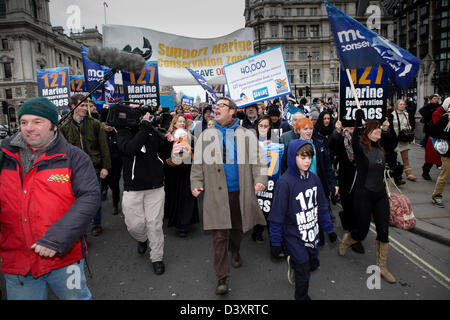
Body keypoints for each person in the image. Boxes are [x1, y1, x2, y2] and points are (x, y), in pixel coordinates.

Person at [0, 97, 99, 299]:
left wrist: (56, 238)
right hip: (18, 262)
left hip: (64, 259)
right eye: (24, 122)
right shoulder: (4, 156)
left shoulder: (74, 157)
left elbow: (89, 198)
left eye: (37, 122)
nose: (29, 128)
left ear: (54, 126)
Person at [190, 97, 267, 295]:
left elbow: (258, 160)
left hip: (240, 192)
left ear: (232, 111)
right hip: (216, 194)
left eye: (221, 106)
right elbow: (197, 164)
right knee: (219, 236)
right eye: (215, 106)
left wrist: (260, 179)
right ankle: (222, 277)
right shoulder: (206, 136)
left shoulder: (247, 134)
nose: (216, 108)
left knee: (238, 229)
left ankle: (236, 249)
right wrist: (197, 183)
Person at [268, 140, 337, 300]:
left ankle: (294, 263)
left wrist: (330, 229)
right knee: (304, 269)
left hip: (311, 233)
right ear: (293, 157)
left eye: (309, 157)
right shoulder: (285, 183)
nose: (307, 161)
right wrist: (276, 243)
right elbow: (276, 216)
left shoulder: (314, 179)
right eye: (302, 157)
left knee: (311, 263)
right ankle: (302, 296)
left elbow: (322, 207)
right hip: (293, 234)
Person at [338, 110, 396, 284]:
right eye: (376, 129)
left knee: (384, 230)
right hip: (363, 195)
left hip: (380, 195)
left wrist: (389, 125)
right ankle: (348, 240)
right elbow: (355, 141)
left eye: (379, 129)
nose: (379, 131)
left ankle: (382, 267)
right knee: (361, 231)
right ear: (368, 132)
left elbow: (392, 141)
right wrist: (357, 122)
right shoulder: (361, 149)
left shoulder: (381, 146)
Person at [116, 110, 172, 275]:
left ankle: (157, 258)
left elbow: (165, 154)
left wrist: (169, 142)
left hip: (155, 186)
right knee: (135, 225)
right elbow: (130, 149)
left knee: (154, 224)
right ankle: (142, 239)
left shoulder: (153, 131)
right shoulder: (123, 133)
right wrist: (144, 129)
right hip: (133, 188)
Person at [60, 94, 111, 236]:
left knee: (94, 198)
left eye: (86, 105)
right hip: (75, 171)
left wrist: (105, 167)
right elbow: (63, 151)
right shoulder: (65, 127)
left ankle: (96, 224)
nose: (84, 108)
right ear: (73, 107)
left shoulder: (95, 124)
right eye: (81, 105)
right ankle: (80, 228)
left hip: (94, 168)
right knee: (77, 201)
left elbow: (103, 147)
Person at [328, 121, 364, 254]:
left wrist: (385, 129)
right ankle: (348, 224)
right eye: (349, 124)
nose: (351, 126)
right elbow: (331, 146)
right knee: (347, 202)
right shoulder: (341, 136)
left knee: (358, 206)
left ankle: (354, 235)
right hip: (345, 175)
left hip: (360, 175)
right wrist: (337, 131)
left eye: (353, 124)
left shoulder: (363, 135)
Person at [164, 114, 199, 237]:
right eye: (180, 121)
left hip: (187, 172)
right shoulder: (168, 138)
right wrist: (170, 162)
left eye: (184, 122)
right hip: (173, 174)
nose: (182, 124)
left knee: (186, 197)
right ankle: (176, 219)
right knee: (175, 198)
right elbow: (164, 155)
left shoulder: (191, 137)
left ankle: (183, 224)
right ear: (174, 124)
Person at [430, 97, 450, 208]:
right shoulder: (445, 118)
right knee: (445, 174)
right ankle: (437, 195)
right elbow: (434, 132)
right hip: (448, 152)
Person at [390, 99, 416, 181]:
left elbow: (409, 125)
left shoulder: (406, 114)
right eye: (400, 104)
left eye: (403, 104)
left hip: (404, 138)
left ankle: (409, 173)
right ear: (396, 105)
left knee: (405, 157)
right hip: (395, 139)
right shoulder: (392, 114)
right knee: (392, 158)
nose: (402, 106)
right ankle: (393, 173)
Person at [102, 124, 123, 215]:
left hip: (116, 164)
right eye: (106, 125)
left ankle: (115, 204)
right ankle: (104, 189)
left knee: (115, 185)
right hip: (104, 165)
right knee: (105, 182)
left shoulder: (117, 135)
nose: (108, 127)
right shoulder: (101, 136)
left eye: (110, 125)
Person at [420, 94, 442, 179]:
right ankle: (426, 170)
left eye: (437, 98)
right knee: (431, 154)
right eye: (434, 98)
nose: (436, 100)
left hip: (440, 133)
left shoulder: (440, 107)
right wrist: (428, 118)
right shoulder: (428, 107)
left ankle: (439, 165)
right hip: (430, 132)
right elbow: (422, 111)